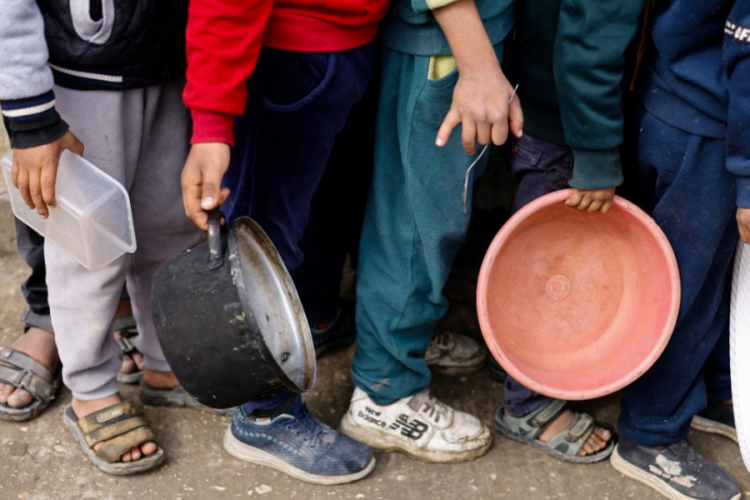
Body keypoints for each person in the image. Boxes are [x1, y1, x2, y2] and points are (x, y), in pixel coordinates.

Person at [180, 0, 389, 485]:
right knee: (265, 238)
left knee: (309, 208)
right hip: (285, 51)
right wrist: (211, 121)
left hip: (344, 39)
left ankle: (310, 325)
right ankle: (263, 414)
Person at [1, 0, 202, 474]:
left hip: (171, 65)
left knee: (170, 227)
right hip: (80, 73)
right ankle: (91, 390)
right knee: (87, 245)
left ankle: (162, 361)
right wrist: (29, 114)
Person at [337, 0, 517, 463]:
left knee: (412, 210)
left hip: (458, 35)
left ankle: (401, 343)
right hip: (449, 41)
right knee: (418, 226)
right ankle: (384, 393)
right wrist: (476, 63)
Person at [490, 0, 644, 463]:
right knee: (548, 272)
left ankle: (524, 370)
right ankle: (526, 405)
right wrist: (595, 150)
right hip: (567, 128)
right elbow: (590, 37)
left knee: (541, 262)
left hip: (546, 106)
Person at [609, 1, 750, 499]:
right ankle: (650, 435)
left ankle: (711, 395)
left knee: (695, 281)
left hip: (670, 96)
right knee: (688, 294)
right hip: (712, 128)